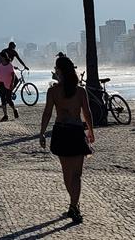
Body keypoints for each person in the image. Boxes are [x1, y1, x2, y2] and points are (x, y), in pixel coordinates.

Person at [39, 55, 95, 224]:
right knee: (76, 175)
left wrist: (41, 132)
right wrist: (91, 131)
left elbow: (47, 112)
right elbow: (87, 112)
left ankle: (74, 205)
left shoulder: (53, 91)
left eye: (56, 69)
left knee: (67, 173)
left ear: (60, 71)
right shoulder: (80, 91)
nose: (55, 71)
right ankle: (74, 205)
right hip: (76, 132)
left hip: (61, 132)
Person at [0, 51, 19, 122]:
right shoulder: (0, 65)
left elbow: (13, 75)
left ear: (4, 57)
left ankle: (14, 109)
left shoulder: (9, 65)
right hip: (0, 83)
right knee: (3, 100)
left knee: (9, 100)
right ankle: (5, 115)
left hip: (8, 84)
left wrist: (12, 83)